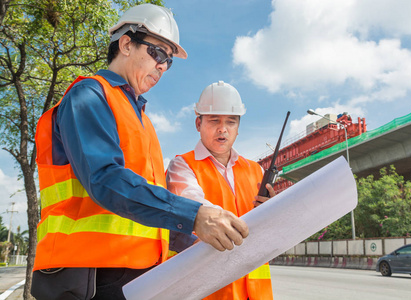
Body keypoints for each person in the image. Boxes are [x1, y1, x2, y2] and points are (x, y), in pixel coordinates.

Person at [31, 4, 248, 300]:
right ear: (126, 44)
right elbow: (106, 180)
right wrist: (194, 215)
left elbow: (146, 204)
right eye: (157, 53)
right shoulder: (90, 96)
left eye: (168, 62)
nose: (162, 66)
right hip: (89, 276)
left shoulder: (143, 119)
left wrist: (195, 239)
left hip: (134, 276)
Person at [167, 80, 274, 300]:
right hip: (211, 291)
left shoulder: (255, 170)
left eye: (231, 122)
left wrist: (274, 211)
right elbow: (193, 206)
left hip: (256, 292)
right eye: (214, 120)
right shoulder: (182, 165)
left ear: (238, 127)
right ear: (198, 123)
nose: (222, 128)